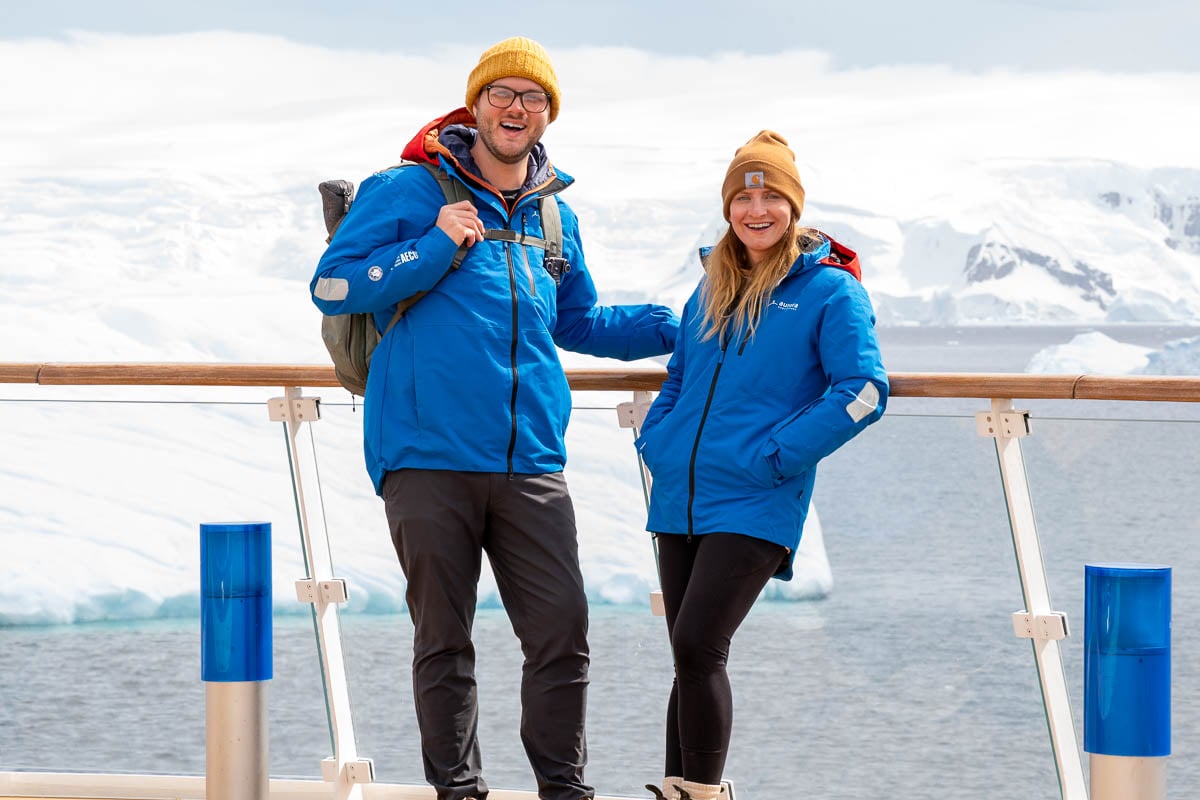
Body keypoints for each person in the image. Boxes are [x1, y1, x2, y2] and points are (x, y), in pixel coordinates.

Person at [310, 36, 679, 800]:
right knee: (444, 642)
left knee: (561, 637)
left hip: (531, 462)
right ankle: (459, 792)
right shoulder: (407, 189)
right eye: (502, 95)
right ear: (475, 106)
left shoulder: (554, 216)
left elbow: (576, 322)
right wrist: (435, 245)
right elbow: (334, 288)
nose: (517, 109)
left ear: (548, 116)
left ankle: (563, 791)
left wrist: (683, 327)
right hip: (426, 456)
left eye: (533, 98)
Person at [634, 131, 888, 800]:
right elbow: (682, 376)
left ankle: (703, 793)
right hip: (682, 494)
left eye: (771, 194)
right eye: (744, 196)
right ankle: (675, 787)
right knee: (687, 656)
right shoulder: (709, 289)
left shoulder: (830, 291)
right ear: (728, 208)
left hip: (755, 497)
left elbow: (862, 391)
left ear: (794, 206)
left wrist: (777, 455)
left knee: (698, 645)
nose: (756, 209)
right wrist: (657, 441)